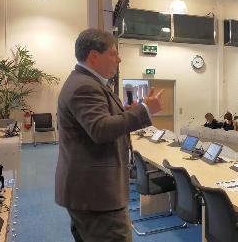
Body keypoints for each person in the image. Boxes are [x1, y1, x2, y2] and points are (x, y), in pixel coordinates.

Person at [55, 29, 164, 242]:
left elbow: (96, 123)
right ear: (94, 56)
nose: (119, 59)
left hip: (88, 191)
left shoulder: (86, 82)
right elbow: (100, 129)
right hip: (97, 196)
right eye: (114, 53)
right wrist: (144, 110)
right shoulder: (85, 86)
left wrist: (128, 111)